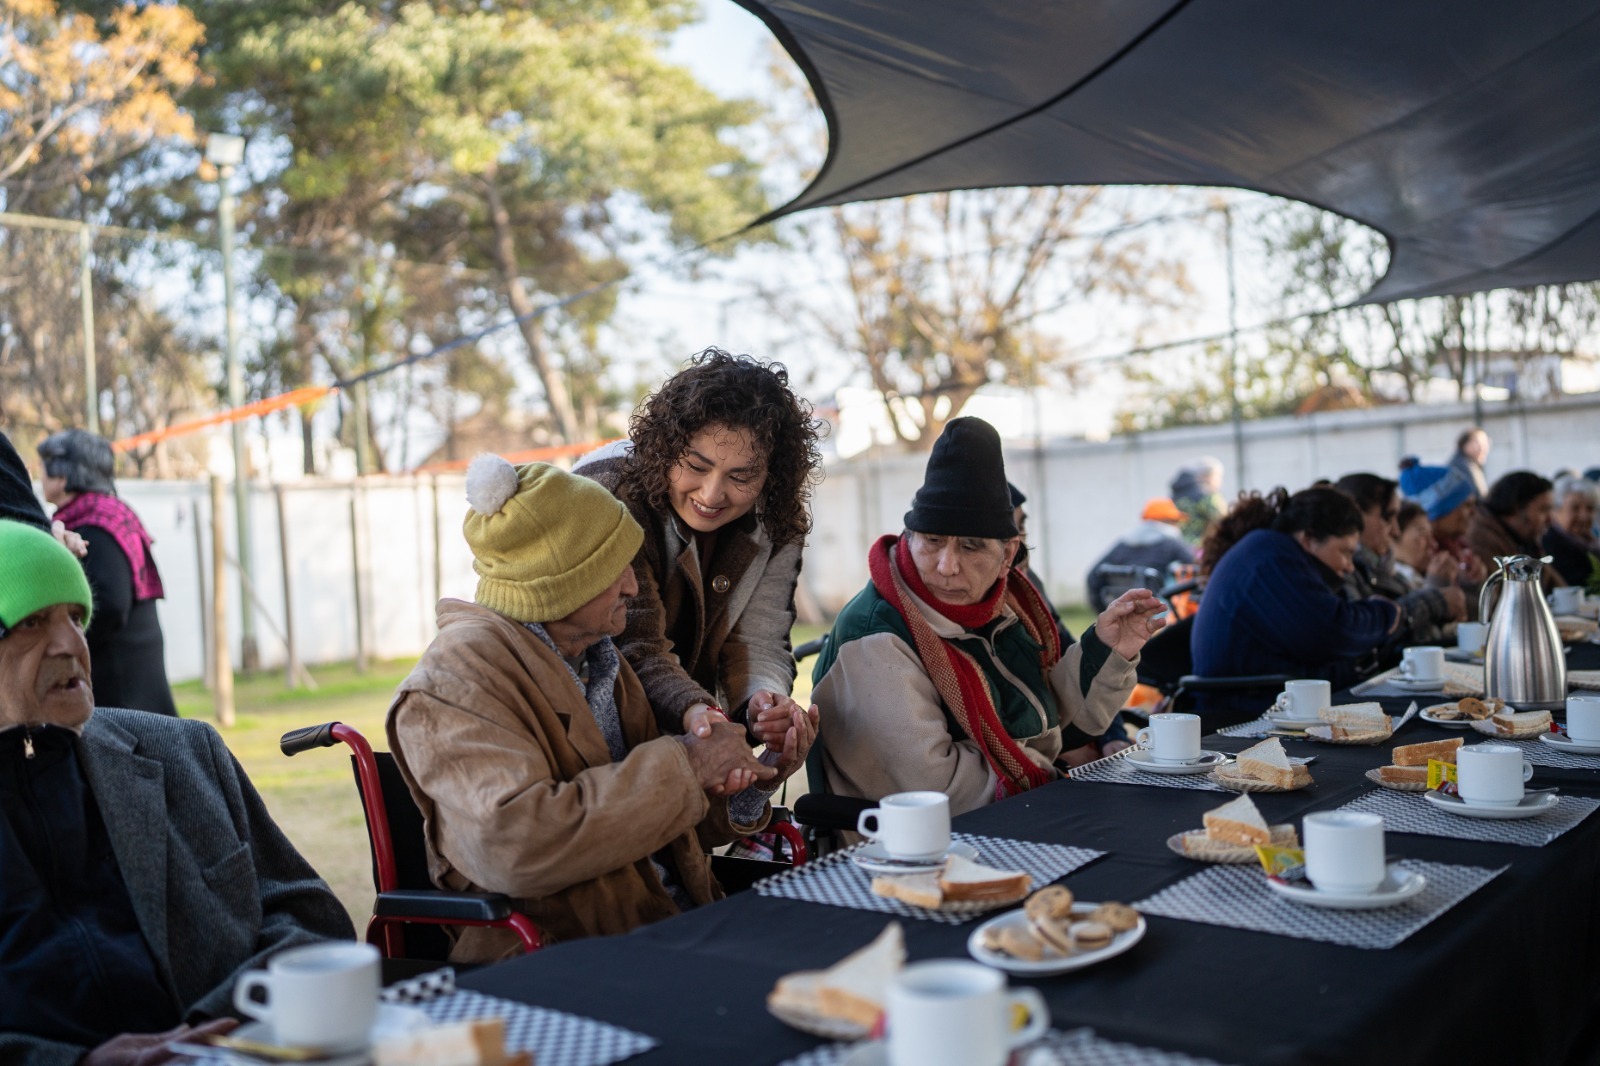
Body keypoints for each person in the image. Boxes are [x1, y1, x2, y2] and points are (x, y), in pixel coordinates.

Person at [387, 457, 815, 961]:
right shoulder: (455, 680)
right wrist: (690, 763)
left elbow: (661, 827)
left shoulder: (599, 661)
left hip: (669, 930)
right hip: (558, 963)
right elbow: (520, 848)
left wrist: (750, 777)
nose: (634, 587)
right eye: (618, 570)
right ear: (563, 583)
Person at [0, 519, 354, 1065]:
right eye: (31, 622)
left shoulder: (186, 753)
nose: (72, 644)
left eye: (76, 617)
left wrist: (204, 1034)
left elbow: (315, 922)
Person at [809, 418, 1163, 815]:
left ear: (1007, 556)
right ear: (909, 537)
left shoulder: (1006, 604)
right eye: (933, 541)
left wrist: (1108, 650)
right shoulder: (876, 633)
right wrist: (1055, 780)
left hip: (1008, 816)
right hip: (907, 852)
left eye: (971, 546)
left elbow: (1051, 727)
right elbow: (936, 789)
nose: (946, 566)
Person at [576, 349, 823, 750]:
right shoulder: (609, 492)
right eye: (696, 465)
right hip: (595, 735)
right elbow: (633, 643)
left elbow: (760, 639)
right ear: (664, 446)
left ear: (772, 476)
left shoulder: (777, 516)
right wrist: (698, 712)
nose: (711, 494)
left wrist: (762, 701)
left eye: (741, 475)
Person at [1190, 487, 1400, 722]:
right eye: (1344, 551)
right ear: (1308, 538)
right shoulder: (1272, 559)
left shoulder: (1272, 552)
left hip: (1268, 702)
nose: (1350, 566)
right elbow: (1331, 632)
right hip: (1249, 713)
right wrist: (1385, 613)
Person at [37, 429, 177, 716]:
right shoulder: (109, 514)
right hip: (133, 673)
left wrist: (60, 642)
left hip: (120, 685)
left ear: (63, 476)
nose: (39, 476)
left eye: (44, 468)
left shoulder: (92, 526)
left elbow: (110, 604)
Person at [1009, 483, 1130, 765]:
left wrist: (1113, 735)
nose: (1019, 545)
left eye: (1022, 528)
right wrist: (1064, 753)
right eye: (1008, 533)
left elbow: (1071, 653)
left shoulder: (1028, 584)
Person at [1334, 473, 1466, 647]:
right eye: (1388, 517)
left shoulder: (1383, 568)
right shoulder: (1343, 570)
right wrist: (1435, 600)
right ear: (1357, 514)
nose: (1395, 530)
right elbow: (1366, 633)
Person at [1084, 497, 1194, 612]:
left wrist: (1103, 610)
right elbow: (1195, 566)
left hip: (1123, 608)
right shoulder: (1170, 542)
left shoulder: (1123, 544)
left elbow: (1093, 576)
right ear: (1166, 521)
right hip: (1158, 609)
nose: (1178, 526)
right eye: (1175, 521)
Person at [1467, 471, 1565, 592]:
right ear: (1517, 508)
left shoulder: (1525, 540)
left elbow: (1558, 587)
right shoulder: (1482, 539)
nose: (1550, 520)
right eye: (1543, 510)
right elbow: (1498, 598)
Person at [1398, 456, 1479, 564]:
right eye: (1466, 505)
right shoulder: (1428, 563)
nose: (1474, 512)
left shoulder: (1461, 548)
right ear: (1438, 512)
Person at [1543, 475, 1599, 588]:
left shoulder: (1591, 543)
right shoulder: (1549, 545)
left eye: (1590, 508)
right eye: (1575, 508)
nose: (1584, 516)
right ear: (1555, 512)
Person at [1169, 456, 1226, 546]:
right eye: (1218, 476)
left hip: (1179, 547)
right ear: (1208, 477)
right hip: (1205, 548)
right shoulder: (1208, 496)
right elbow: (1222, 522)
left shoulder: (1176, 495)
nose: (1220, 481)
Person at [1391, 501, 1435, 589]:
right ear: (1393, 535)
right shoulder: (1394, 582)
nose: (1432, 544)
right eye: (1422, 535)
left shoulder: (1422, 576)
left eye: (1431, 535)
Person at [1448, 427, 1491, 498]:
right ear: (1465, 444)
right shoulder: (1463, 466)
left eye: (1486, 444)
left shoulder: (1467, 463)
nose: (1483, 448)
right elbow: (1479, 496)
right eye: (1479, 444)